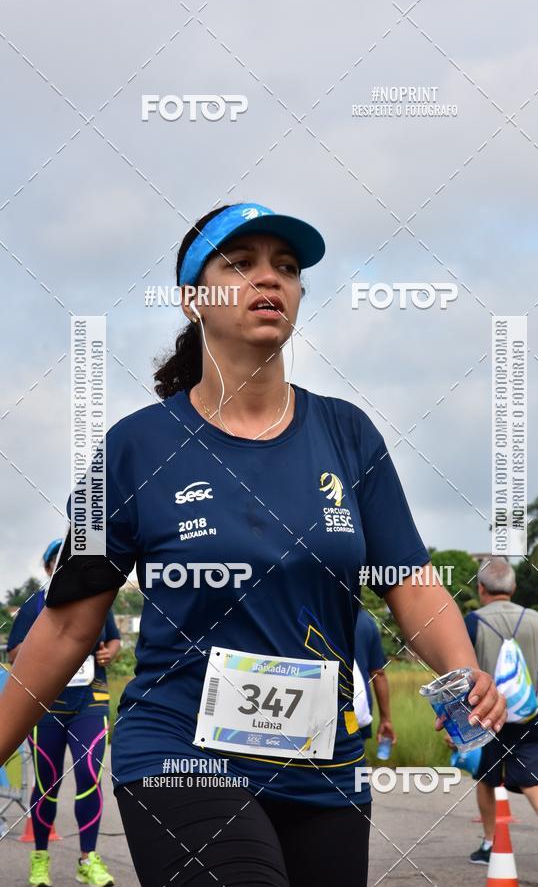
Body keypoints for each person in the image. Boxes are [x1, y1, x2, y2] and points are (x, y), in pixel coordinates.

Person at [0, 202, 507, 887]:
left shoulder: (348, 434)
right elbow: (65, 625)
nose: (270, 278)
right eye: (240, 264)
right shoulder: (128, 449)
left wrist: (463, 670)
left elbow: (411, 582)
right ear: (192, 300)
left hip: (324, 767)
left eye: (287, 267)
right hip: (179, 753)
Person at [6, 539, 121, 887]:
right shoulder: (35, 604)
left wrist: (110, 651)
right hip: (45, 705)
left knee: (89, 776)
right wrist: (53, 642)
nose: (64, 563)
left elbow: (114, 639)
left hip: (90, 700)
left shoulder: (97, 597)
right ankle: (40, 858)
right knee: (46, 784)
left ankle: (88, 859)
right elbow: (14, 654)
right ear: (47, 568)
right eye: (57, 560)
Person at [463, 557, 538, 872]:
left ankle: (490, 844)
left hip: (487, 716)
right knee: (533, 778)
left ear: (481, 588)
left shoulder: (473, 621)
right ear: (514, 586)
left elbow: (462, 674)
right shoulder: (535, 619)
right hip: (530, 714)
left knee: (486, 778)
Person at [354, 608, 395, 748]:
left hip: (316, 708)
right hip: (358, 709)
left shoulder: (317, 613)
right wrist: (385, 719)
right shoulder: (367, 622)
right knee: (352, 757)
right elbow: (378, 674)